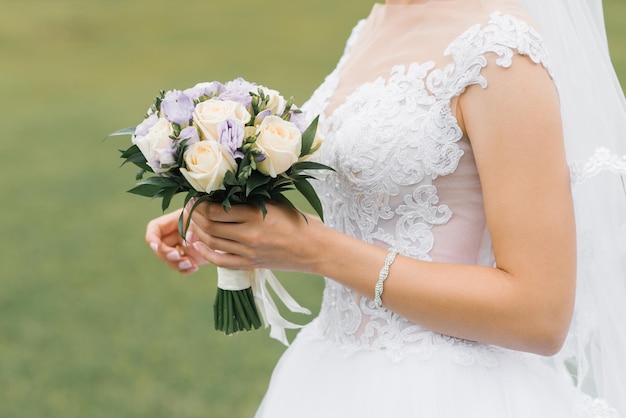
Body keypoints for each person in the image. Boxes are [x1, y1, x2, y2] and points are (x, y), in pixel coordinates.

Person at [145, 0, 626, 416]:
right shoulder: (378, 20)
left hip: (447, 389)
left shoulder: (501, 51)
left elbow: (539, 314)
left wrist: (315, 250)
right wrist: (246, 221)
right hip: (330, 374)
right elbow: (373, 202)